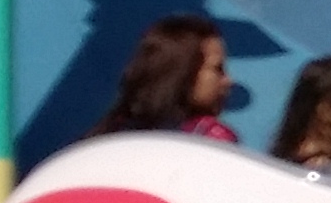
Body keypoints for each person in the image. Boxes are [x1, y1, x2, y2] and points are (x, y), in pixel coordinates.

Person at [92, 13, 237, 141]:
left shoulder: (111, 134)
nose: (229, 81)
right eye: (218, 69)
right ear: (184, 71)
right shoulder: (211, 139)